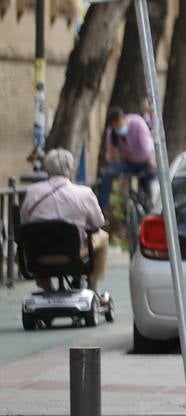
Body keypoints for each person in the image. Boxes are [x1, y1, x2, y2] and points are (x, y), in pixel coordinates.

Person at [21, 148, 109, 303]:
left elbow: (25, 221)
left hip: (39, 255)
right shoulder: (84, 193)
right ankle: (92, 285)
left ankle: (47, 287)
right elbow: (98, 223)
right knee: (103, 236)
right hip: (73, 252)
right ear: (70, 169)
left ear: (47, 170)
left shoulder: (32, 192)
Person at [99, 106, 156, 210]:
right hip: (129, 162)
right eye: (115, 126)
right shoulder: (111, 133)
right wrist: (114, 146)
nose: (119, 128)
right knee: (108, 172)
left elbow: (147, 148)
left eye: (120, 124)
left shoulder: (137, 123)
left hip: (145, 161)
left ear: (124, 118)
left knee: (150, 181)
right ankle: (103, 208)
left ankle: (150, 206)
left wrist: (151, 166)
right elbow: (111, 159)